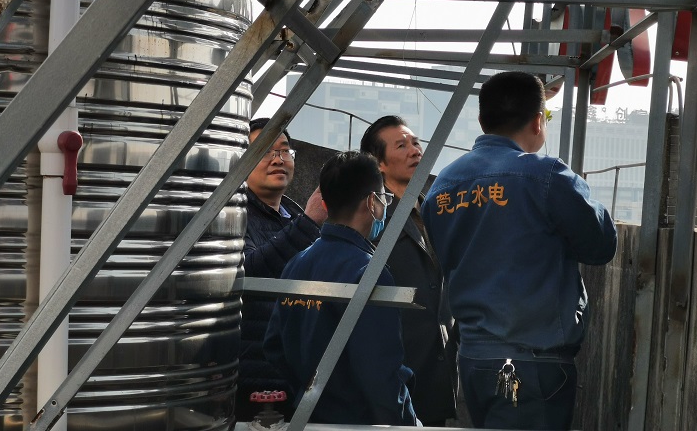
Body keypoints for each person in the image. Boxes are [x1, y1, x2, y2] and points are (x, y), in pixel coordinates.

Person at [421, 71, 617, 431]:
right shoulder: (546, 176)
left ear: (482, 120)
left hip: (473, 359)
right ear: (538, 121)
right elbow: (601, 244)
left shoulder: (443, 185)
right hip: (531, 363)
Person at [263, 151, 419, 426]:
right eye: (384, 198)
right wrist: (406, 421)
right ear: (372, 202)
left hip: (308, 417)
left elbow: (274, 347)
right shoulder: (368, 272)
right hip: (359, 422)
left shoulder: (296, 264)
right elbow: (380, 373)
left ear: (325, 203)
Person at [360, 115, 457, 426]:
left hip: (439, 369)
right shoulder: (372, 218)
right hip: (395, 373)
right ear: (379, 163)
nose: (415, 151)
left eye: (416, 143)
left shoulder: (435, 211)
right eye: (401, 146)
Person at [236, 118, 327, 422]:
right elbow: (248, 271)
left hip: (294, 371)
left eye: (285, 150)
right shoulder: (232, 213)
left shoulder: (294, 215)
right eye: (265, 151)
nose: (278, 159)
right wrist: (309, 223)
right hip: (251, 376)